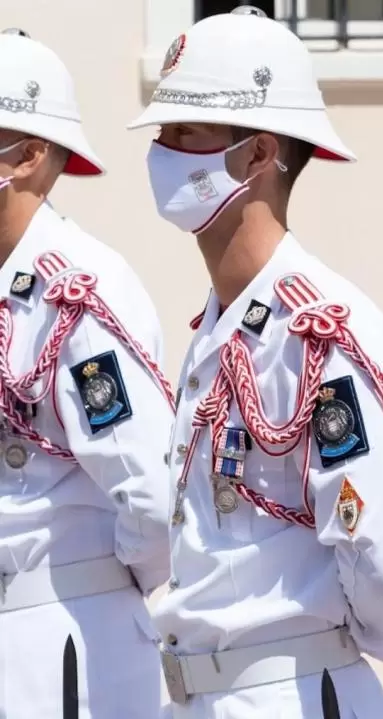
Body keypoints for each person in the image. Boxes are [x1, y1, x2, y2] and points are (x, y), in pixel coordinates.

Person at [127, 8, 383, 718]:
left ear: (259, 154)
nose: (163, 150)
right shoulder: (218, 327)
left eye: (187, 133)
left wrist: (314, 639)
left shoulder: (323, 331)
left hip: (290, 693)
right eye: (163, 132)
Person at [0, 28, 174, 717]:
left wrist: (103, 582)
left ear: (31, 154)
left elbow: (155, 498)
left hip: (64, 640)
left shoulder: (79, 288)